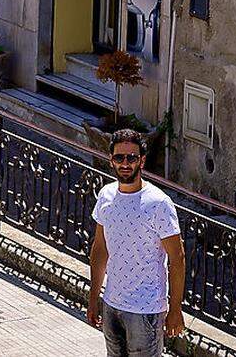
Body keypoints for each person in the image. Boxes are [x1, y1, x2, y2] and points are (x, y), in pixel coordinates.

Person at [87, 129, 186, 357]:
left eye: (131, 158)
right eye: (119, 157)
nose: (125, 163)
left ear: (142, 160)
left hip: (146, 310)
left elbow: (177, 258)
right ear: (111, 160)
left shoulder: (159, 203)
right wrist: (94, 298)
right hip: (112, 304)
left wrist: (175, 310)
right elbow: (100, 249)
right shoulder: (106, 196)